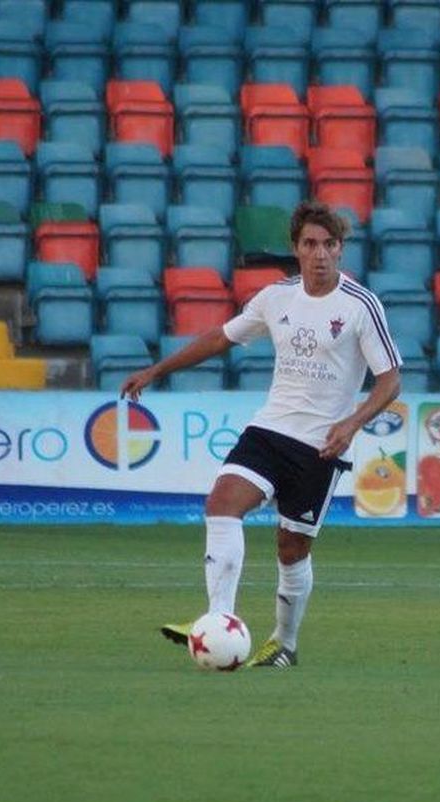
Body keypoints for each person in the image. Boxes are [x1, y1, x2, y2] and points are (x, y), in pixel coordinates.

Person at [121, 201, 402, 669]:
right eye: (310, 244)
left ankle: (284, 643)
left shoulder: (360, 305)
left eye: (328, 244)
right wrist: (157, 370)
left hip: (320, 446)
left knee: (291, 549)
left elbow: (390, 380)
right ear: (296, 247)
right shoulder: (276, 298)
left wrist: (352, 423)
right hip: (269, 430)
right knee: (222, 504)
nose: (319, 254)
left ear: (340, 249)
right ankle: (218, 619)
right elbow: (220, 338)